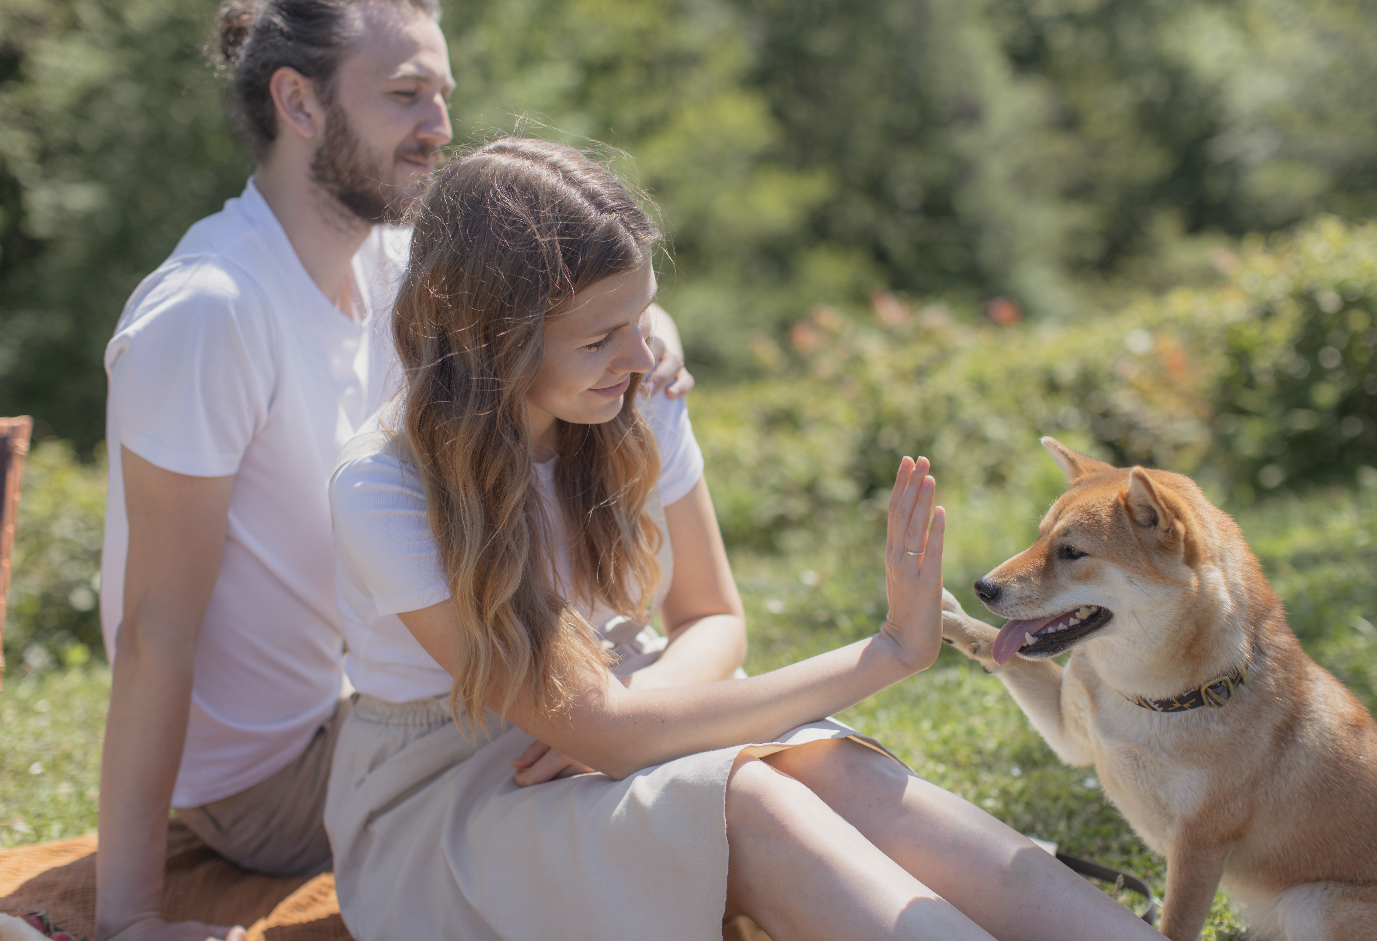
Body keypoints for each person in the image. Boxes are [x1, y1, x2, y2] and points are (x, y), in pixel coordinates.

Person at [323, 138, 1165, 941]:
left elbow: (710, 615)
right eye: (599, 338)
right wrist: (885, 654)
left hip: (627, 701)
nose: (640, 353)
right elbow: (606, 736)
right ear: (494, 343)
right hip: (455, 787)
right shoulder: (384, 487)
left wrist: (630, 712)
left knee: (830, 770)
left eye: (642, 316)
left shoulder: (634, 393)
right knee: (750, 802)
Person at [94, 4, 690, 940]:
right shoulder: (208, 311)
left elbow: (576, 297)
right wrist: (128, 918)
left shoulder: (396, 270)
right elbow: (152, 630)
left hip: (390, 688)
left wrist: (650, 328)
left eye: (442, 94)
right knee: (635, 734)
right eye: (406, 95)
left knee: (648, 713)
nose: (441, 128)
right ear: (298, 101)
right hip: (280, 771)